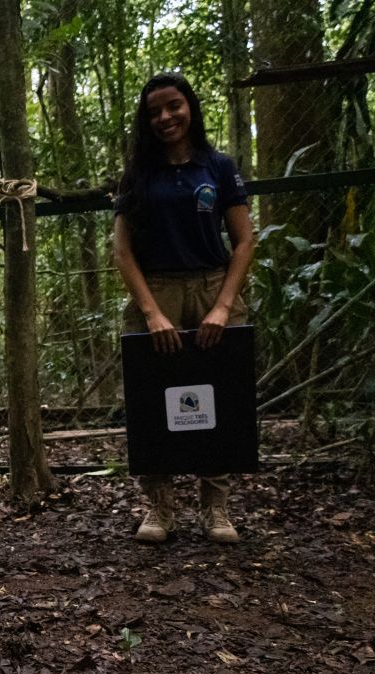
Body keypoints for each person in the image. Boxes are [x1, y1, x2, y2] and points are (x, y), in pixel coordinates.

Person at [112, 72, 256, 544]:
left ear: (189, 107)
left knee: (220, 393)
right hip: (157, 288)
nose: (165, 118)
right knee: (154, 395)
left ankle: (216, 508)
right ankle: (159, 505)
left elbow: (243, 240)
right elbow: (122, 252)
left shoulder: (217, 167)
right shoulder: (138, 176)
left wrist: (223, 305)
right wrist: (151, 312)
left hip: (213, 287)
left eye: (173, 106)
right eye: (154, 112)